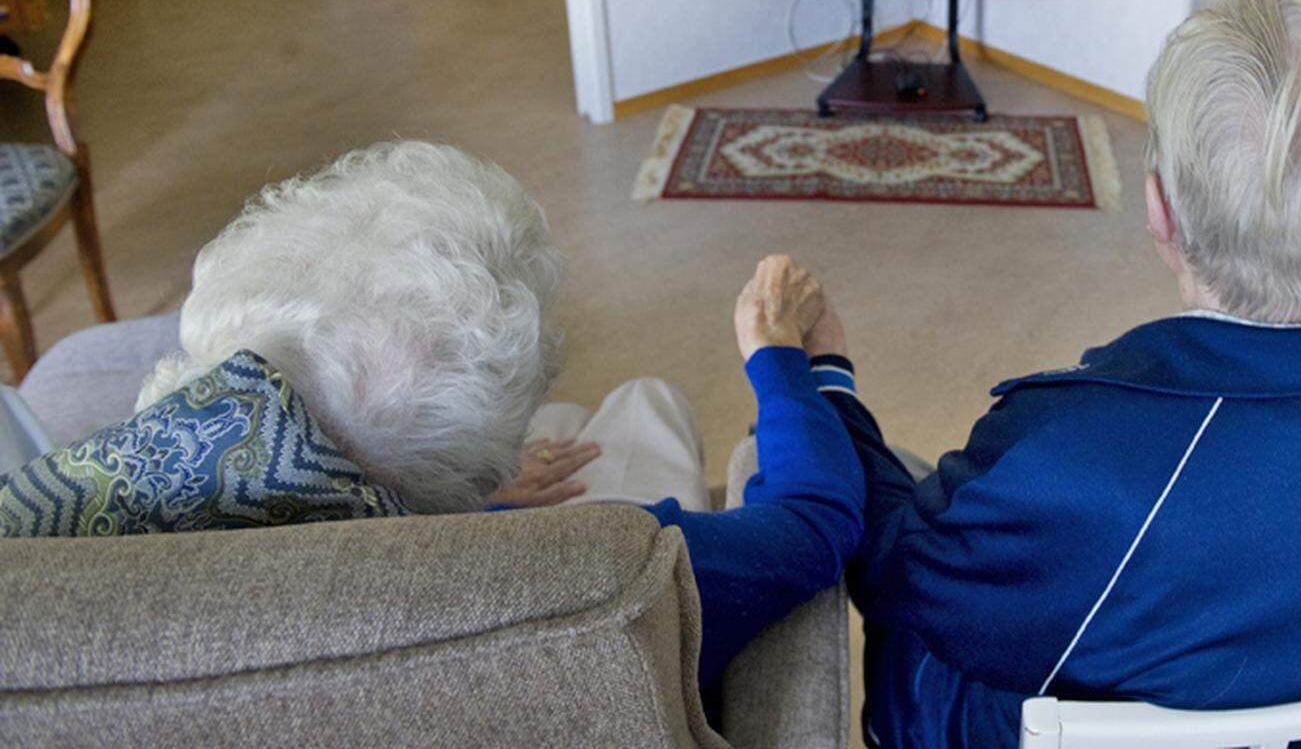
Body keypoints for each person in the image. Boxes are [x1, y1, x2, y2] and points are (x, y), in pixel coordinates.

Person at [807, 0, 1301, 746]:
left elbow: (894, 573)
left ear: (1159, 207)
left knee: (914, 629)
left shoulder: (1071, 462)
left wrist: (821, 379)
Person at [3, 142, 862, 699]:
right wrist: (784, 356)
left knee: (575, 426)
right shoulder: (595, 568)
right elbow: (817, 525)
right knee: (647, 402)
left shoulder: (57, 516)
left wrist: (469, 491)